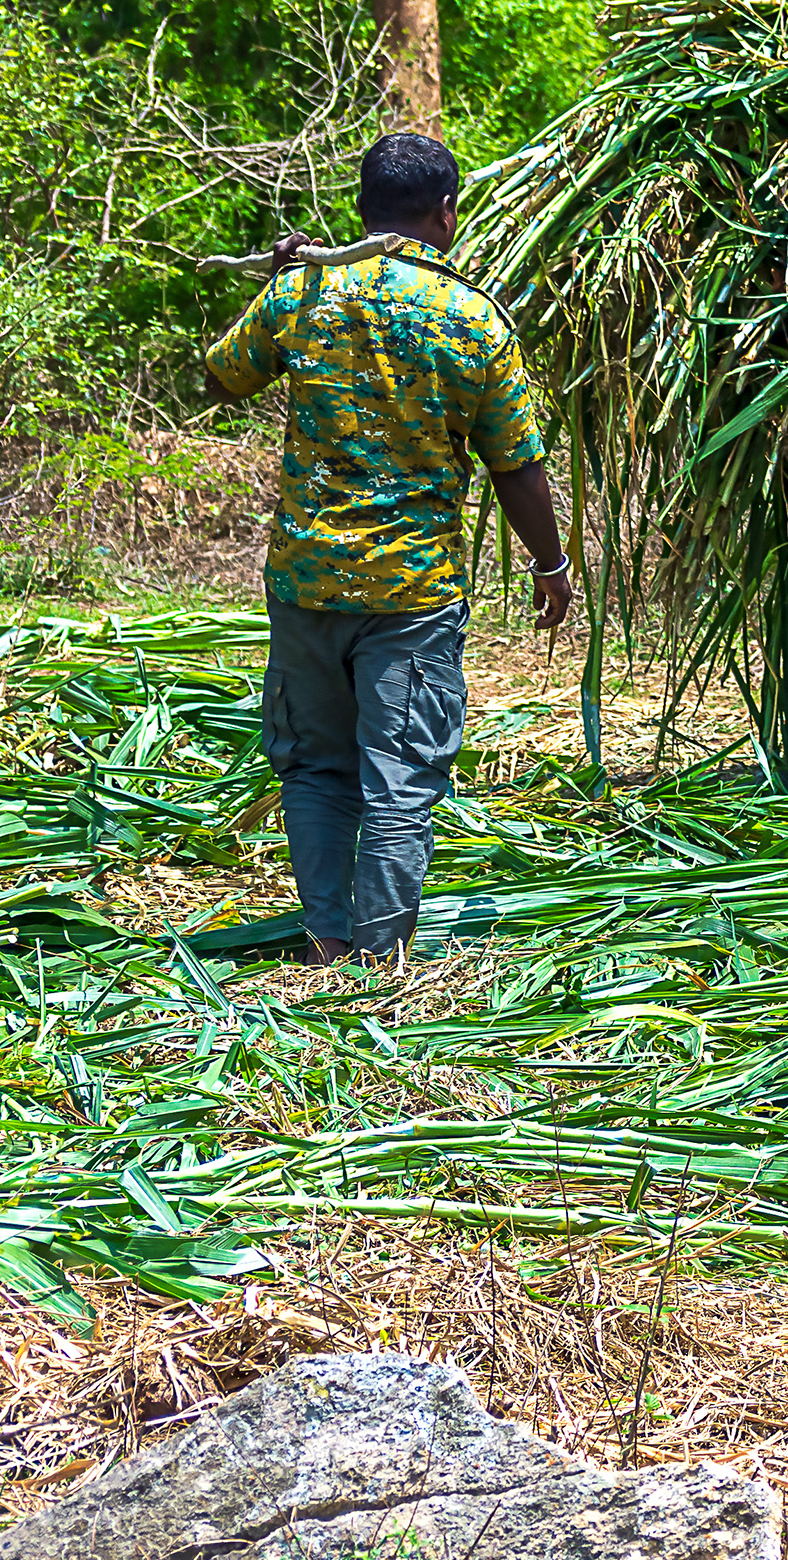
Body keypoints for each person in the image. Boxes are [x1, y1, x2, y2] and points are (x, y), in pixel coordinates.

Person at [199, 133, 573, 964]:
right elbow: (516, 465)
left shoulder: (305, 295)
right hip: (411, 596)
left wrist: (283, 279)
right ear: (445, 214)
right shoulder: (472, 316)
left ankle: (330, 942)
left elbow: (221, 376)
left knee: (316, 767)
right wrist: (551, 566)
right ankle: (379, 958)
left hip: (306, 587)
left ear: (360, 210)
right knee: (400, 775)